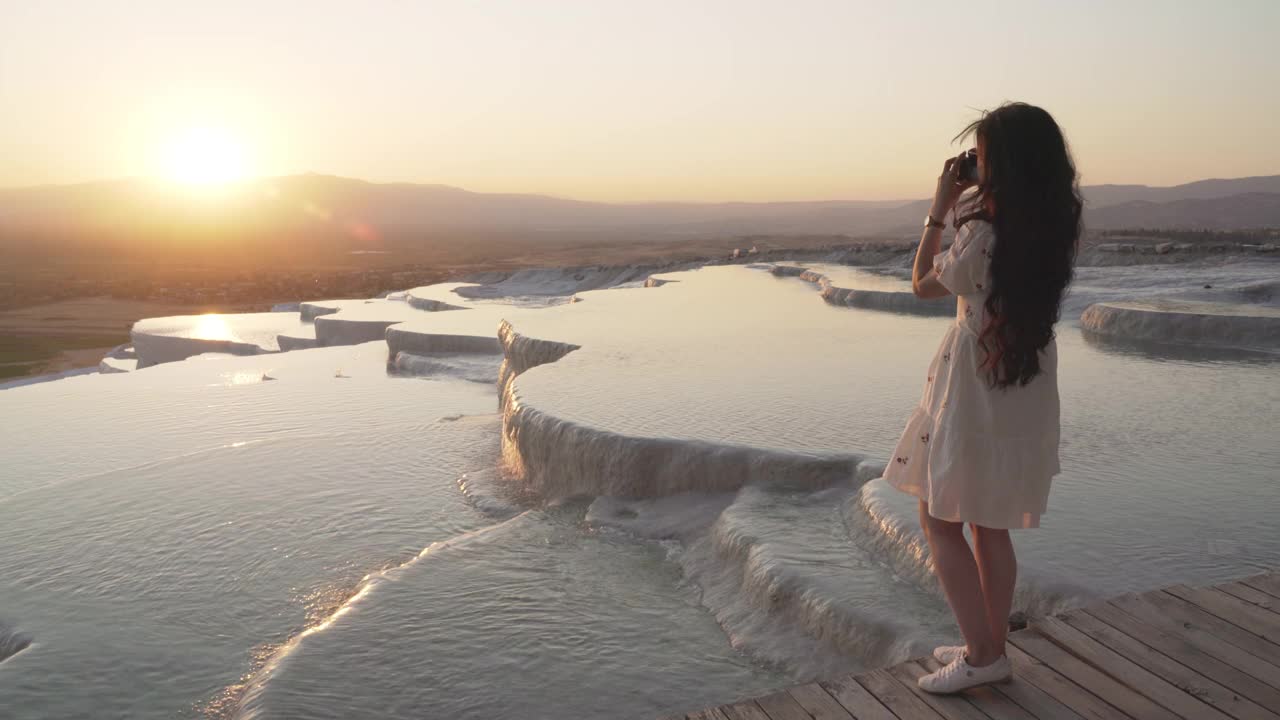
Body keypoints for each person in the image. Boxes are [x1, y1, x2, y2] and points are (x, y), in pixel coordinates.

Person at [881, 102, 1082, 694]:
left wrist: (940, 207)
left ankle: (984, 652)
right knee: (990, 524)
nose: (972, 165)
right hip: (1021, 381)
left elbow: (921, 285)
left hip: (974, 386)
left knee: (938, 518)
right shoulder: (1047, 225)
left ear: (1003, 164)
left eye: (982, 156)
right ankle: (987, 645)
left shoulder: (979, 232)